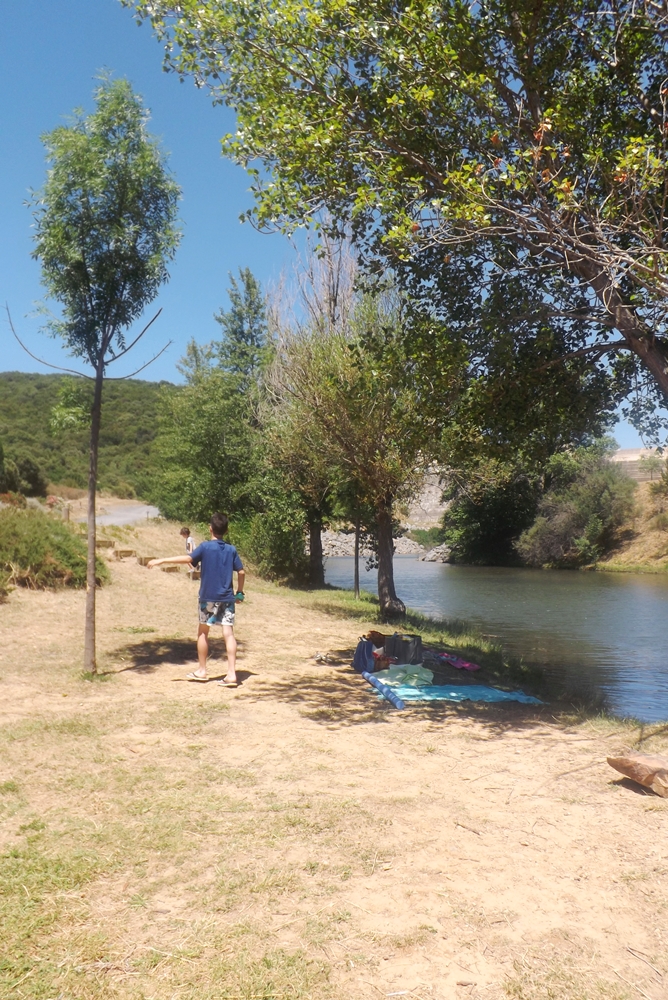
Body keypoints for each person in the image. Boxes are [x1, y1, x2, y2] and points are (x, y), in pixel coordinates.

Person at [148, 512, 245, 687]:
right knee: (228, 634)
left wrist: (161, 560)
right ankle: (231, 674)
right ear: (226, 530)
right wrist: (240, 592)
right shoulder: (231, 549)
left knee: (203, 632)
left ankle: (202, 670)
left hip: (207, 597)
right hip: (227, 598)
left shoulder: (205, 547)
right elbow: (241, 571)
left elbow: (188, 558)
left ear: (210, 529)